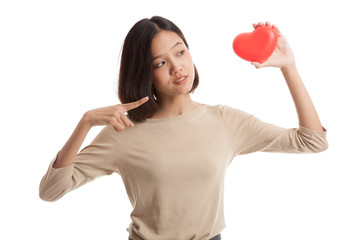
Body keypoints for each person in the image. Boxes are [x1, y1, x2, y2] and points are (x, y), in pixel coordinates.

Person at [39, 16, 328, 240]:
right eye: (161, 63)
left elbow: (312, 141)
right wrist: (86, 122)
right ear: (144, 74)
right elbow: (51, 191)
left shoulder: (224, 121)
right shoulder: (124, 131)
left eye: (181, 52)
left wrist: (288, 67)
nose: (177, 68)